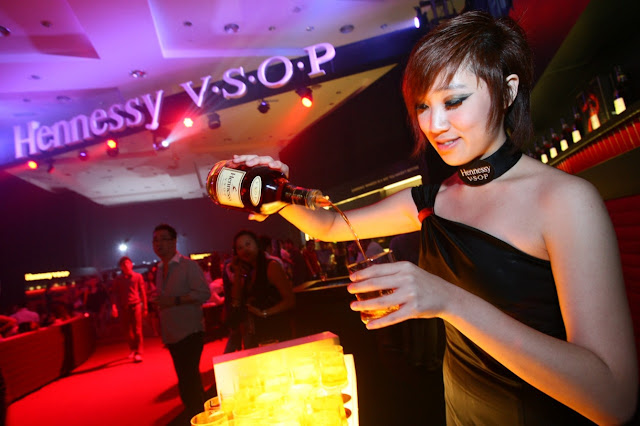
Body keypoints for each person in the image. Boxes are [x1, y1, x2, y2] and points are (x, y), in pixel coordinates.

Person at [231, 11, 638, 425]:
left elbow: (613, 399)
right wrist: (278, 194)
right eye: (423, 106)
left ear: (507, 91)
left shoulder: (566, 201)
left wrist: (449, 301)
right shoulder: (433, 199)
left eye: (454, 101)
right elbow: (332, 226)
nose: (435, 125)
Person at [152, 223, 211, 418]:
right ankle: (199, 415)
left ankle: (199, 416)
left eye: (163, 239)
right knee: (186, 382)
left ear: (174, 241)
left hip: (190, 332)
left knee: (189, 382)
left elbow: (203, 293)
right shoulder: (160, 268)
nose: (158, 244)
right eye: (155, 240)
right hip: (172, 335)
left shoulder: (188, 266)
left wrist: (174, 301)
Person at [227, 230, 295, 349]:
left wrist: (264, 313)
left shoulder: (271, 266)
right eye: (240, 248)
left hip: (276, 330)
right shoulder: (249, 271)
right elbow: (236, 300)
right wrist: (237, 272)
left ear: (257, 245)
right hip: (257, 333)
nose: (245, 250)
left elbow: (290, 300)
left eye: (248, 244)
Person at [111, 256, 147, 363]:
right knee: (127, 331)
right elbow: (114, 294)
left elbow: (143, 292)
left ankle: (139, 352)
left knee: (138, 330)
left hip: (135, 305)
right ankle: (133, 349)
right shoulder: (118, 279)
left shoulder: (138, 276)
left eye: (127, 263)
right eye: (123, 264)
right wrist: (114, 306)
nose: (126, 265)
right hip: (123, 307)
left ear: (131, 264)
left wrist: (145, 306)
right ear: (121, 267)